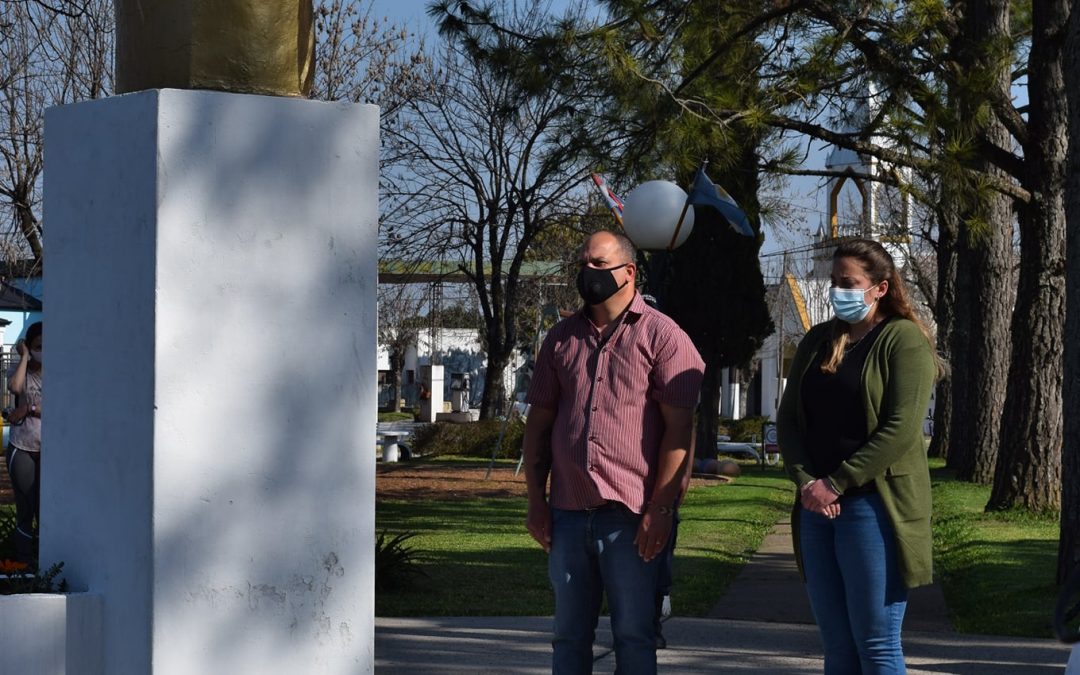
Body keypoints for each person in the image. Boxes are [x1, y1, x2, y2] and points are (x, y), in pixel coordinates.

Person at [523, 230, 704, 674]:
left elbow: (680, 433)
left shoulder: (664, 337)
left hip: (632, 516)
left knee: (634, 635)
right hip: (567, 513)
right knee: (568, 636)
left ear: (629, 273)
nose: (588, 272)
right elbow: (539, 425)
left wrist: (661, 510)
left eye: (600, 264)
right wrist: (535, 502)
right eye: (583, 262)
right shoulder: (561, 338)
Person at [777, 239, 940, 674]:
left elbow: (901, 430)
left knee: (877, 645)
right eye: (834, 282)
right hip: (816, 509)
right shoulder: (818, 339)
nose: (837, 291)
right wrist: (808, 482)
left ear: (880, 288)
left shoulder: (903, 340)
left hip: (873, 507)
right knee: (837, 647)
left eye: (849, 282)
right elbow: (789, 420)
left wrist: (836, 482)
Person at [6, 321, 43, 564]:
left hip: (48, 450)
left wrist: (28, 408)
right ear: (29, 346)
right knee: (25, 508)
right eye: (38, 346)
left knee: (44, 508)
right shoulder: (23, 371)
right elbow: (15, 387)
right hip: (22, 447)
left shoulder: (61, 374)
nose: (44, 350)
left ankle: (43, 559)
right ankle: (22, 563)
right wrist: (25, 358)